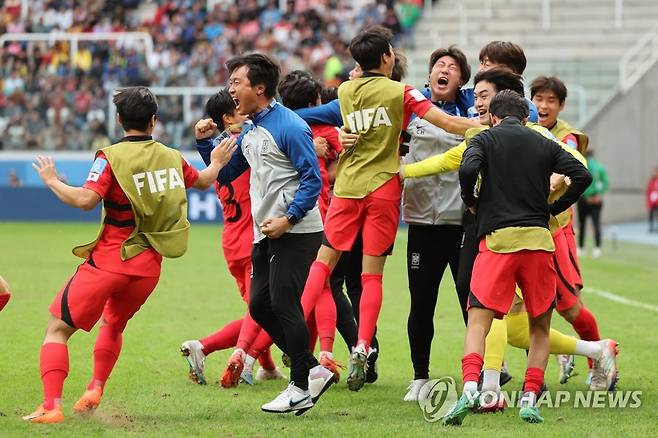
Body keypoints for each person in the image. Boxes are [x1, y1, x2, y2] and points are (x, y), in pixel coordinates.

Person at [24, 86, 237, 424]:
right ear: (154, 121)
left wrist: (51, 180)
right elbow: (204, 180)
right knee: (114, 323)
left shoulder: (110, 157)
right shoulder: (171, 156)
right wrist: (216, 161)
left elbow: (85, 201)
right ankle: (95, 388)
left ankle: (52, 407)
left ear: (120, 119)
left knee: (57, 330)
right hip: (148, 268)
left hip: (110, 260)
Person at [298, 25, 480, 392]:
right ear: (386, 58)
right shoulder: (402, 92)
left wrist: (325, 137)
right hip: (384, 188)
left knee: (322, 263)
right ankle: (363, 345)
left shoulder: (346, 91)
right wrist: (486, 126)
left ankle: (295, 331)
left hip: (347, 189)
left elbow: (306, 116)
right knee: (372, 276)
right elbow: (446, 122)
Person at [441, 89, 592, 426]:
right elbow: (583, 175)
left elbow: (468, 168)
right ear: (526, 118)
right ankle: (529, 399)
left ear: (493, 116)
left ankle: (469, 388)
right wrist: (553, 208)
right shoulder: (543, 141)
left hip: (497, 242)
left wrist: (472, 199)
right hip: (539, 243)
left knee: (479, 320)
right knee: (539, 326)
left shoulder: (484, 139)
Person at [196, 53, 334, 414]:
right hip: (265, 232)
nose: (231, 89)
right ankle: (312, 370)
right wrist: (205, 145)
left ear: (259, 88)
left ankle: (300, 387)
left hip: (296, 231)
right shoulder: (252, 128)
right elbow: (226, 174)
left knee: (285, 304)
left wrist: (288, 218)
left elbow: (312, 179)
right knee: (259, 305)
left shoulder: (288, 126)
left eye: (236, 83)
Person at [180, 89, 283, 388]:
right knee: (268, 310)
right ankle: (206, 347)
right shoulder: (248, 145)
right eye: (239, 107)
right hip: (254, 240)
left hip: (231, 242)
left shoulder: (218, 153)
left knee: (257, 310)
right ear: (228, 117)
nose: (248, 109)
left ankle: (268, 366)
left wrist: (202, 139)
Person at [402, 45, 471, 402]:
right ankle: (419, 377)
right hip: (420, 223)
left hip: (461, 224)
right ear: (429, 75)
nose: (443, 70)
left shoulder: (473, 108)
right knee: (422, 302)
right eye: (438, 65)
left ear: (462, 79)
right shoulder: (410, 108)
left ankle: (486, 372)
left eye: (452, 67)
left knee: (471, 302)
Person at [577, 149, 608, 257]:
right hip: (595, 199)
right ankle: (597, 248)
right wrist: (599, 195)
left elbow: (579, 182)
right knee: (596, 224)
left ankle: (581, 248)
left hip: (585, 200)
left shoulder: (583, 166)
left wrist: (586, 196)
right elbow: (605, 182)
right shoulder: (600, 167)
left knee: (582, 224)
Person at [648, 167, 658, 232]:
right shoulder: (651, 181)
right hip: (652, 201)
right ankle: (651, 227)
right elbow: (649, 191)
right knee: (651, 214)